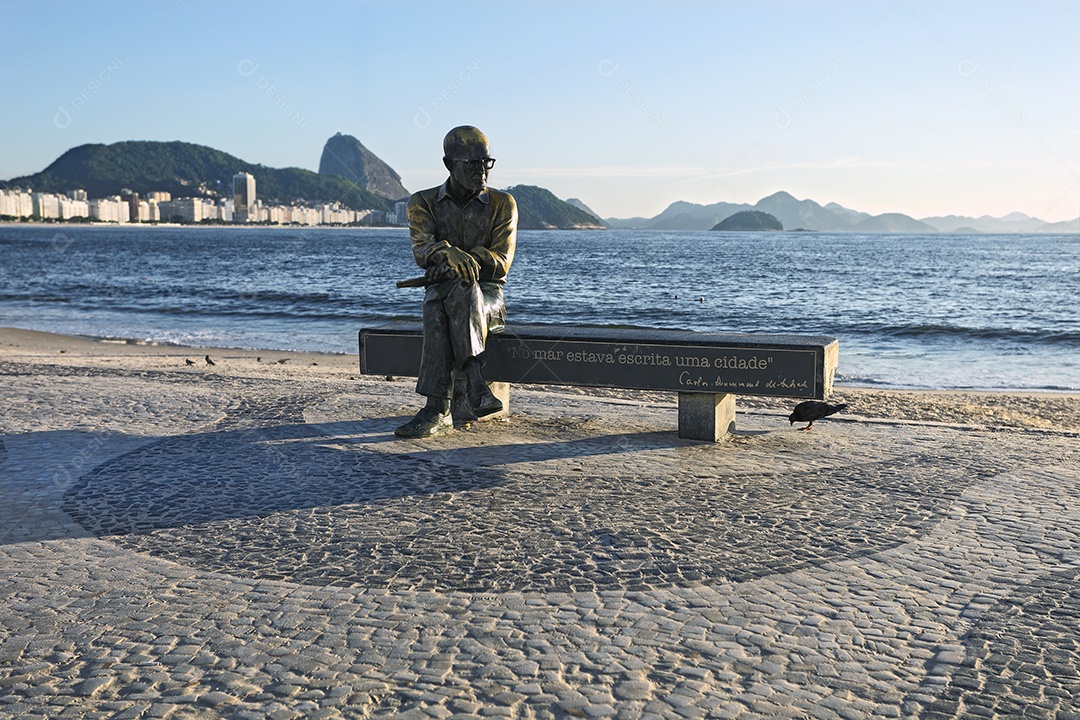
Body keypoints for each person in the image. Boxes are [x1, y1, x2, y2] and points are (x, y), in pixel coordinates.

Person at [395, 126, 518, 438]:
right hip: (450, 297)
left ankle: (436, 409)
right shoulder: (422, 202)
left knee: (445, 297)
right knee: (446, 297)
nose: (481, 172)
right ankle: (475, 380)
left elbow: (502, 262)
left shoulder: (504, 204)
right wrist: (447, 253)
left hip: (489, 298)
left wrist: (464, 261)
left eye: (486, 163)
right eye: (472, 164)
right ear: (450, 164)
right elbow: (422, 251)